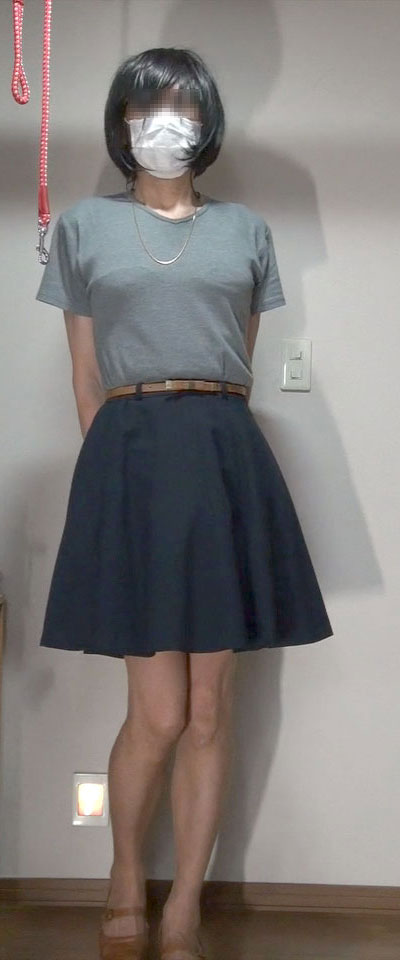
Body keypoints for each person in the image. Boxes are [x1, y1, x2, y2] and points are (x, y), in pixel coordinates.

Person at [35, 47, 334, 960]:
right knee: (158, 712)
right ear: (120, 120)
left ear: (207, 122)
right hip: (130, 451)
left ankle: (184, 907)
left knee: (210, 710)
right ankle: (126, 877)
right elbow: (84, 377)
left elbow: (239, 360)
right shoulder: (83, 227)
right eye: (146, 107)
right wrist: (113, 485)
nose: (165, 124)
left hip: (222, 450)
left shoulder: (245, 230)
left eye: (183, 107)